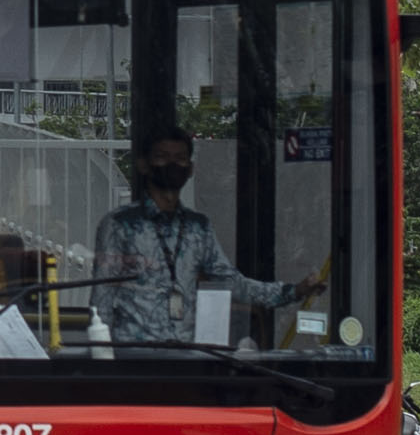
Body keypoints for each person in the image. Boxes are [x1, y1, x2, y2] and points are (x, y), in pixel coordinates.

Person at [91, 133, 300, 345]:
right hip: (134, 355)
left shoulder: (198, 227)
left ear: (190, 169)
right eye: (162, 157)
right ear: (144, 165)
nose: (172, 164)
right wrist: (103, 356)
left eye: (180, 158)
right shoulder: (119, 224)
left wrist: (292, 292)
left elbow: (232, 283)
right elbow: (102, 297)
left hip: (186, 355)